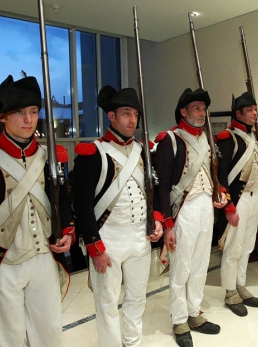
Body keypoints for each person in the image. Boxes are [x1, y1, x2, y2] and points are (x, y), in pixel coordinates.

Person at [0, 75, 74, 347]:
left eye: (33, 112)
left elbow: (61, 201)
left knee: (49, 335)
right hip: (3, 264)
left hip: (44, 259)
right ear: (2, 117)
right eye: (19, 112)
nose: (28, 120)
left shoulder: (49, 158)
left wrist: (67, 230)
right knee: (8, 339)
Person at [72, 86, 164, 346]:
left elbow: (152, 190)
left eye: (135, 114)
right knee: (107, 303)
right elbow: (82, 206)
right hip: (108, 239)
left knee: (137, 298)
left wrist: (156, 218)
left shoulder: (144, 150)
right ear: (111, 116)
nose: (132, 120)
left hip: (140, 238)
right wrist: (94, 245)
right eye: (126, 113)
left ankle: (132, 342)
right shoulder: (93, 153)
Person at [153, 88, 228, 347]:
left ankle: (194, 312)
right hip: (182, 211)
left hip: (205, 207)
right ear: (183, 111)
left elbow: (214, 172)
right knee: (181, 268)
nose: (201, 112)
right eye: (197, 108)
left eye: (203, 108)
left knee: (200, 264)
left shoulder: (207, 139)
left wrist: (220, 193)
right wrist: (168, 224)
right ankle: (179, 319)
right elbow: (162, 186)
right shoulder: (170, 140)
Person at [216, 92, 258, 317]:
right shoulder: (227, 138)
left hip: (255, 196)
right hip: (239, 200)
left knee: (247, 245)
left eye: (255, 110)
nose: (254, 114)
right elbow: (222, 175)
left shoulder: (254, 137)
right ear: (238, 113)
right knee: (233, 248)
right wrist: (228, 206)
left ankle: (240, 285)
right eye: (250, 110)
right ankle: (230, 292)